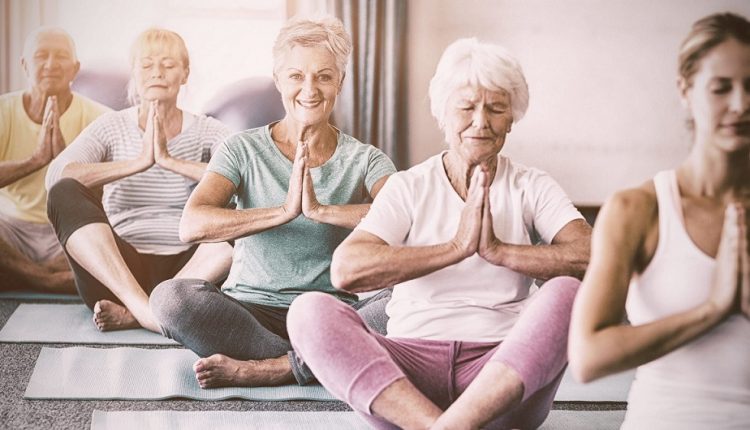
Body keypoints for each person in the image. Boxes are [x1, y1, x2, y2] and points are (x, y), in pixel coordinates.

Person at [287, 38, 592, 429]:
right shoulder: (410, 186)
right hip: (408, 378)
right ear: (443, 113)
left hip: (501, 374)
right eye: (466, 107)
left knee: (570, 293)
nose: (481, 121)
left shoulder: (532, 185)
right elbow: (347, 269)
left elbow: (589, 256)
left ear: (511, 118)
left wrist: (498, 251)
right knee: (309, 312)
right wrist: (455, 248)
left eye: (496, 108)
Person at [149, 16, 396, 389]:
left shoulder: (367, 159)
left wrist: (322, 212)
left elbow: (407, 221)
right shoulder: (241, 148)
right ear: (278, 80)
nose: (309, 89)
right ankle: (316, 360)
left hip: (329, 313)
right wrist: (282, 212)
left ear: (340, 83)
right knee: (170, 298)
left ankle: (274, 368)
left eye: (324, 77)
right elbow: (192, 224)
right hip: (249, 312)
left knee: (405, 300)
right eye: (296, 76)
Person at [569, 12, 750, 430]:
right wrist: (712, 310)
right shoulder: (637, 209)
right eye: (721, 88)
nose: (741, 104)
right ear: (686, 91)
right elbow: (588, 357)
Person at [45, 28, 232, 333]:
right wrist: (136, 164)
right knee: (64, 192)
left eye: (169, 65)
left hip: (194, 270)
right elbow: (57, 175)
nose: (157, 72)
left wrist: (173, 162)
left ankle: (142, 313)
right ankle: (148, 308)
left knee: (249, 208)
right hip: (119, 272)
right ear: (134, 74)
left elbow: (254, 173)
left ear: (184, 74)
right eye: (146, 65)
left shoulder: (206, 131)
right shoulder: (111, 126)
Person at [0, 27, 109, 293]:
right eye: (41, 55)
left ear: (75, 68)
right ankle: (47, 280)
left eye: (61, 56)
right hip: (11, 231)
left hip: (67, 232)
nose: (51, 65)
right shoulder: (3, 111)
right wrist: (35, 161)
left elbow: (109, 194)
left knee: (116, 239)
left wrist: (64, 164)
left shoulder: (100, 119)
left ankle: (20, 276)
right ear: (25, 65)